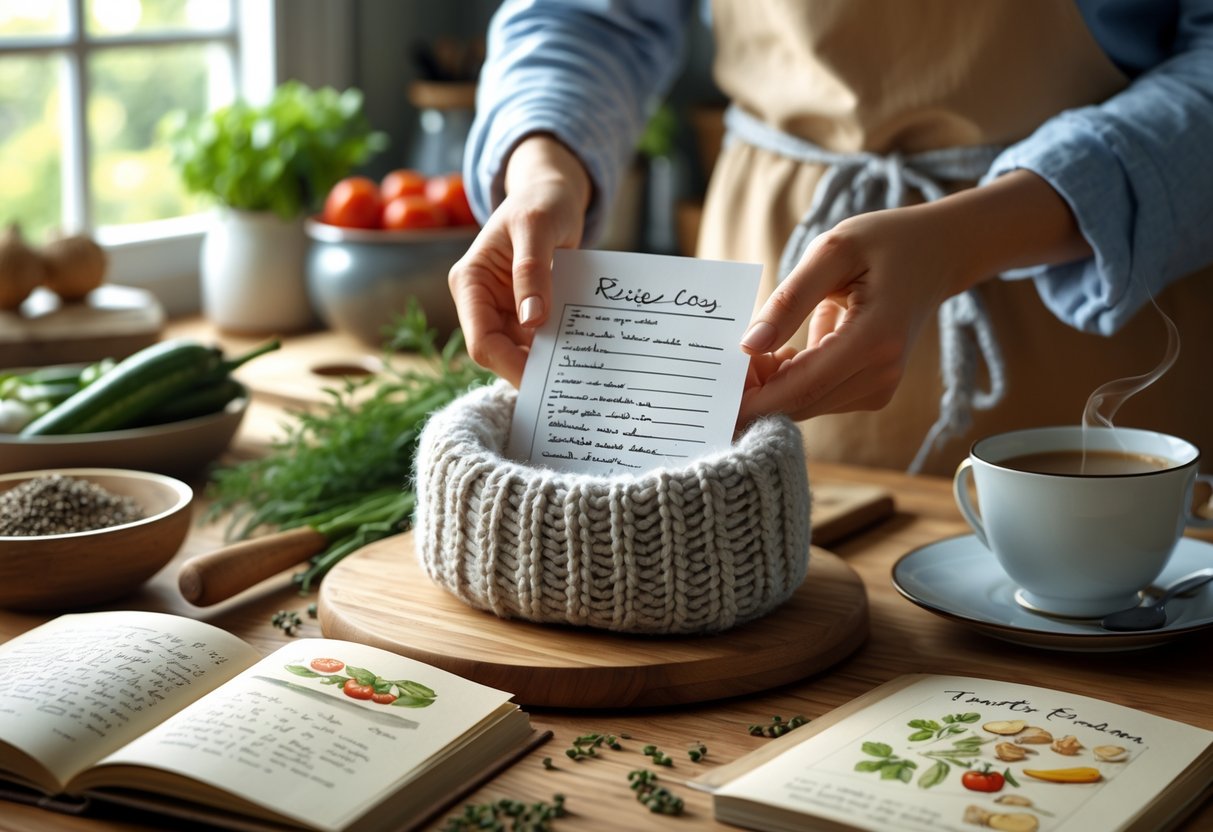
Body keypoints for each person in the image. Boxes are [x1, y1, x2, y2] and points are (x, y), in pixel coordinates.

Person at [448, 0, 1213, 475]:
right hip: (769, 277)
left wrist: (965, 239)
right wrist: (543, 167)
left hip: (1092, 298)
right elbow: (582, 15)